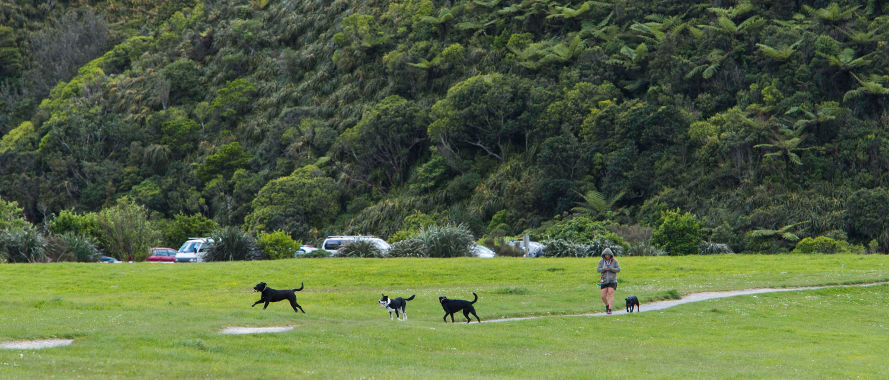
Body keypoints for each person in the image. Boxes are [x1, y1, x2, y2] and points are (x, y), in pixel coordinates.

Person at [597, 247, 620, 314]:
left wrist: (611, 268)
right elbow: (598, 270)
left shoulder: (615, 261)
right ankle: (607, 305)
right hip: (604, 280)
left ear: (610, 255)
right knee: (603, 296)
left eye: (608, 255)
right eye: (606, 255)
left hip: (612, 280)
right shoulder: (601, 261)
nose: (607, 256)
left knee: (610, 293)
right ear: (604, 255)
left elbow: (618, 269)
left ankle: (610, 309)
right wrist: (604, 269)